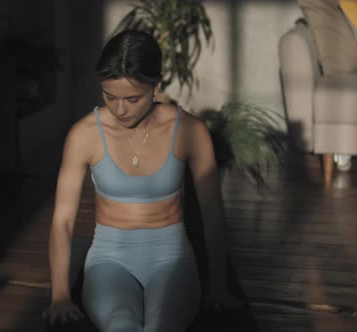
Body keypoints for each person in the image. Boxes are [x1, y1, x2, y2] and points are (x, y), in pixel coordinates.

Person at [45, 30, 241, 332]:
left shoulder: (190, 130)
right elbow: (63, 221)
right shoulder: (83, 134)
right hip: (109, 258)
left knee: (162, 326)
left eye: (132, 98)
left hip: (171, 256)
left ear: (156, 86)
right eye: (110, 96)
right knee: (121, 326)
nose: (120, 109)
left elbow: (212, 214)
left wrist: (218, 287)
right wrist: (59, 295)